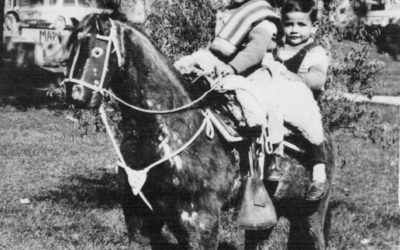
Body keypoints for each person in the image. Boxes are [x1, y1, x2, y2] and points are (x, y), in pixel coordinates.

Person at [272, 0, 330, 200]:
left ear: (313, 27)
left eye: (301, 24)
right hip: (277, 105)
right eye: (289, 24)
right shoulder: (277, 49)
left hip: (304, 108)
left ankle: (319, 175)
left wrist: (302, 78)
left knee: (313, 133)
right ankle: (267, 166)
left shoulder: (315, 52)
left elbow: (319, 76)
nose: (294, 30)